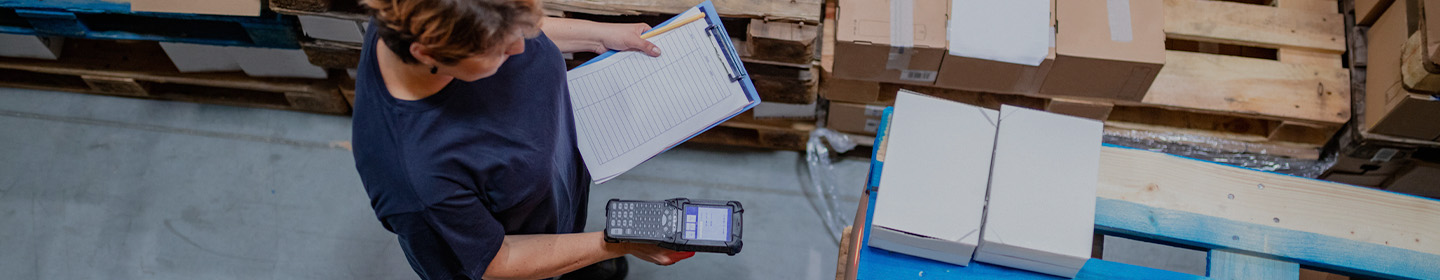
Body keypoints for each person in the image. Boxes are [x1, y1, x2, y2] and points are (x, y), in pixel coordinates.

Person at [350, 0, 694, 279]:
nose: (525, 43)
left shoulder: (437, 16)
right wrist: (616, 244)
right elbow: (498, 260)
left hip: (545, 201)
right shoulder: (415, 177)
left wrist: (597, 36)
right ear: (428, 54)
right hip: (514, 258)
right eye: (500, 47)